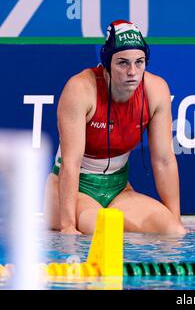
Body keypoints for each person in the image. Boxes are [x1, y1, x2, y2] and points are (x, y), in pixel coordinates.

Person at [44, 20, 186, 235]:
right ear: (107, 63)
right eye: (122, 63)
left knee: (173, 231)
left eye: (139, 62)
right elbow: (70, 164)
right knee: (105, 231)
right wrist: (68, 226)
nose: (132, 71)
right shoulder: (81, 89)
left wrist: (175, 221)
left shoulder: (156, 90)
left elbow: (164, 161)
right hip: (71, 190)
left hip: (118, 189)